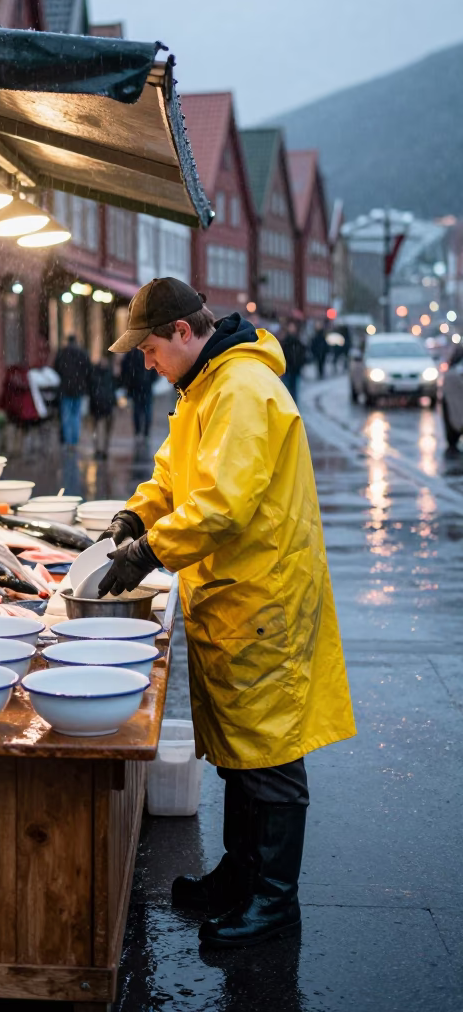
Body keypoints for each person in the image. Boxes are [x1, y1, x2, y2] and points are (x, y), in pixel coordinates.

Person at [95, 277, 356, 950]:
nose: (146, 363)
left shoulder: (240, 389)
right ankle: (241, 877)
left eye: (150, 349)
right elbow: (177, 476)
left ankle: (274, 902)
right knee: (242, 753)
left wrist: (149, 550)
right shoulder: (204, 387)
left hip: (262, 593)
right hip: (233, 594)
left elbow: (222, 504)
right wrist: (138, 511)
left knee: (268, 756)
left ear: (183, 333)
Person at [53, 333, 91, 447]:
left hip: (65, 389)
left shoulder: (62, 354)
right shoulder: (82, 354)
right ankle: (74, 440)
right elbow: (88, 370)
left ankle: (68, 440)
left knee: (66, 415)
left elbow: (56, 369)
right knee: (76, 415)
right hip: (78, 389)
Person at [121, 346, 158, 438]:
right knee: (147, 409)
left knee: (137, 409)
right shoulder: (148, 351)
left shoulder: (131, 354)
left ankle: (138, 431)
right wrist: (151, 380)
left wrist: (127, 383)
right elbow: (155, 368)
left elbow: (125, 368)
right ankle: (145, 431)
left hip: (136, 386)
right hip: (146, 386)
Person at [89, 357, 116, 459]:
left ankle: (99, 449)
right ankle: (103, 449)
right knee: (104, 430)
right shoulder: (109, 374)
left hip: (98, 405)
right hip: (105, 406)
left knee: (97, 429)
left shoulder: (94, 374)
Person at [280, 320, 307, 403]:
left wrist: (299, 364)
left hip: (295, 370)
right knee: (286, 390)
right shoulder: (285, 341)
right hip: (287, 370)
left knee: (294, 390)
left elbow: (302, 354)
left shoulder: (298, 341)